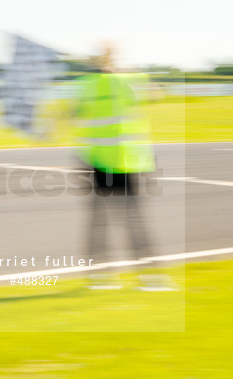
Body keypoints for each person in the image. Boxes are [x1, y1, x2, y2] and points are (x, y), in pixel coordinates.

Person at [72, 45, 175, 291]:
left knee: (98, 221)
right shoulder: (127, 80)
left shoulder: (85, 85)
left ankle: (99, 277)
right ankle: (150, 277)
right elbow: (157, 94)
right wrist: (125, 69)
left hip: (95, 160)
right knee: (134, 220)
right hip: (126, 161)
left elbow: (74, 113)